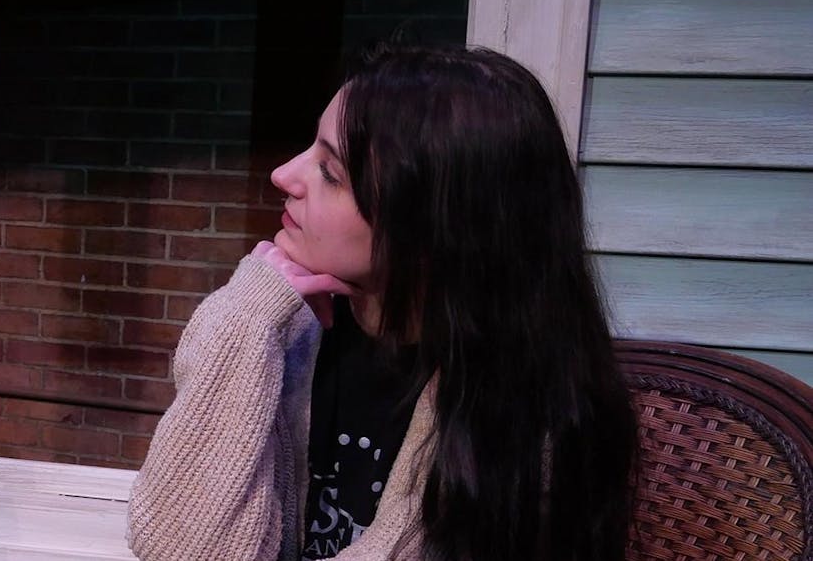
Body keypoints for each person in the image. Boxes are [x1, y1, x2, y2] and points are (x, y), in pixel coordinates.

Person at [128, 45, 637, 561]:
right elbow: (178, 545)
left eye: (331, 173)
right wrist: (244, 317)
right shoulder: (295, 331)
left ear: (435, 228)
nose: (283, 175)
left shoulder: (517, 418)